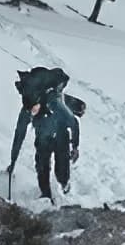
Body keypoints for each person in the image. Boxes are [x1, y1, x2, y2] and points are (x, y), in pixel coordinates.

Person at [7, 69, 82, 202]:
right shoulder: (27, 108)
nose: (31, 113)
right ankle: (46, 195)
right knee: (42, 166)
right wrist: (13, 161)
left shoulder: (53, 101)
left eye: (33, 110)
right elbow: (19, 134)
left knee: (61, 169)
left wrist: (75, 147)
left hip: (61, 135)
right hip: (43, 137)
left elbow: (73, 122)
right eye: (30, 111)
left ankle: (64, 186)